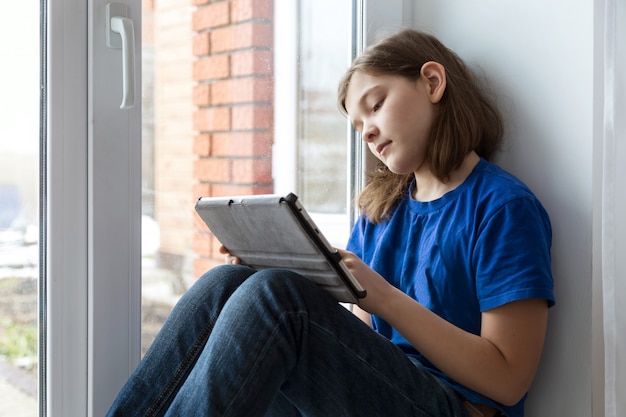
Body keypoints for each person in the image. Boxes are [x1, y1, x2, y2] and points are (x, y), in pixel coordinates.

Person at [106, 28, 554, 417]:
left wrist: (382, 296)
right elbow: (354, 342)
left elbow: (508, 379)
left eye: (375, 105)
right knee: (228, 282)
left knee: (277, 298)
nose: (368, 132)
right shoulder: (383, 209)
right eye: (358, 125)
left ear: (432, 82)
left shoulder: (502, 207)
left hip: (455, 408)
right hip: (380, 393)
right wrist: (269, 272)